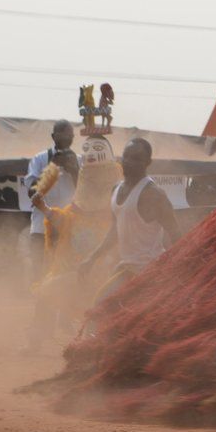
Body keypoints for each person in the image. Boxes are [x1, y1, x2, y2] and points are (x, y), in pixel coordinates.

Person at [25, 135, 122, 350]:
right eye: (90, 176)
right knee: (47, 290)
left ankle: (98, 348)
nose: (94, 181)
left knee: (105, 307)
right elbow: (67, 220)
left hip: (107, 267)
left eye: (100, 175)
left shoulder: (119, 194)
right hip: (78, 265)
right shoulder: (79, 205)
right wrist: (44, 208)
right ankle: (36, 340)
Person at [78, 138, 181, 302]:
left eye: (136, 158)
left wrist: (177, 274)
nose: (129, 162)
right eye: (126, 156)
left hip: (150, 272)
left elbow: (176, 234)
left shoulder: (155, 194)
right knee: (101, 307)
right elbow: (114, 232)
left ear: (148, 162)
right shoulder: (116, 189)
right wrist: (92, 258)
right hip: (126, 268)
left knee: (105, 307)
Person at [24, 120, 79, 283]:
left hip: (68, 229)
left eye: (69, 136)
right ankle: (41, 309)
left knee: (65, 275)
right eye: (61, 135)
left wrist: (74, 171)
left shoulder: (80, 160)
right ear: (53, 136)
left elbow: (85, 191)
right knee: (39, 275)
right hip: (41, 228)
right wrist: (52, 167)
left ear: (73, 138)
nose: (65, 139)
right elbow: (31, 190)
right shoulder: (40, 159)